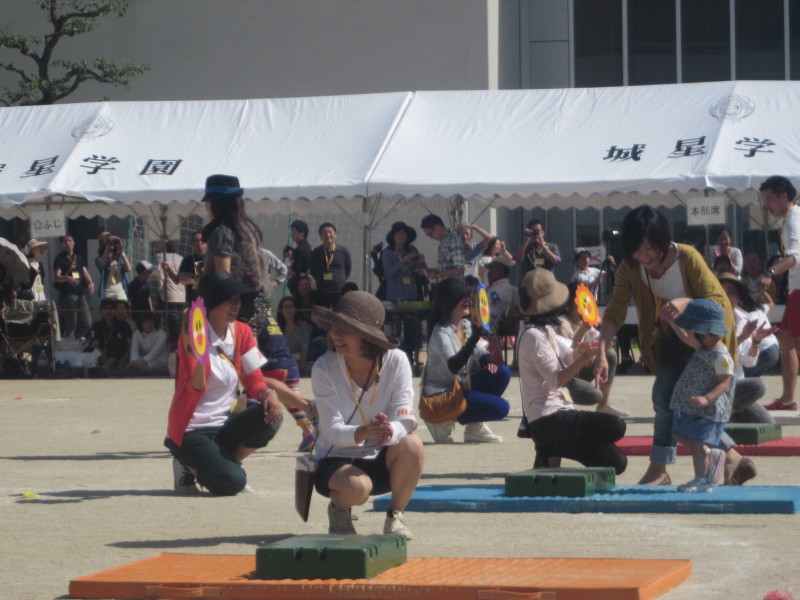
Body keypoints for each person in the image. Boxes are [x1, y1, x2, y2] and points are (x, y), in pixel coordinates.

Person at [595, 205, 755, 486]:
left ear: (663, 240)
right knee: (680, 403)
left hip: (707, 342)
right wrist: (601, 353)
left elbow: (718, 301)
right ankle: (732, 458)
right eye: (636, 249)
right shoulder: (630, 267)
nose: (643, 256)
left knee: (665, 397)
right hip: (675, 340)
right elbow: (615, 311)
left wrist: (686, 302)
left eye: (649, 247)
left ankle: (660, 469)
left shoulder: (687, 257)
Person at [310, 291, 424, 538]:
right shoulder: (324, 367)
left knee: (413, 445)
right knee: (357, 488)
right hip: (335, 458)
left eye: (345, 328)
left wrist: (390, 431)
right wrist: (364, 432)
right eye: (334, 326)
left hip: (381, 456)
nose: (336, 334)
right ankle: (339, 508)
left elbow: (406, 416)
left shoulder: (397, 360)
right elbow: (330, 431)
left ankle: (395, 516)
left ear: (367, 335)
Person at [164, 270, 283, 496]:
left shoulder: (243, 331)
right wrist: (200, 355)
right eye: (230, 300)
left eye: (238, 299)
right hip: (192, 429)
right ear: (212, 303)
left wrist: (268, 393)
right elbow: (195, 385)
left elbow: (253, 380)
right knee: (232, 483)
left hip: (225, 423)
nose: (237, 305)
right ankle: (185, 462)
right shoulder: (191, 334)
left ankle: (229, 463)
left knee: (272, 415)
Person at [517, 269, 627, 474]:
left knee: (617, 463)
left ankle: (551, 448)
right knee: (616, 426)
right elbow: (555, 380)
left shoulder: (545, 329)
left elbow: (567, 356)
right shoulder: (533, 335)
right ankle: (549, 445)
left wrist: (583, 353)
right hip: (546, 417)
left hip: (561, 411)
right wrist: (584, 358)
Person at [422, 278, 510, 444]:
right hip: (441, 395)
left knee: (502, 372)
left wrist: (487, 360)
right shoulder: (441, 332)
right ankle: (441, 420)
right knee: (501, 407)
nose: (467, 300)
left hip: (460, 386)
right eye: (461, 297)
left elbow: (480, 350)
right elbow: (454, 365)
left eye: (468, 296)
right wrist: (474, 338)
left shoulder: (466, 325)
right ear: (449, 302)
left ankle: (474, 428)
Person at [663, 299, 734, 492]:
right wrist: (672, 322)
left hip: (708, 409)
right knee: (678, 433)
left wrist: (707, 398)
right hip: (694, 407)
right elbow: (686, 337)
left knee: (696, 443)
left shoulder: (721, 357)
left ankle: (702, 480)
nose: (692, 335)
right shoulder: (704, 346)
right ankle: (709, 453)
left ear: (707, 334)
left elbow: (725, 382)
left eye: (696, 332)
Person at [201, 174, 269, 322]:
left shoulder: (222, 232)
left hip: (232, 311)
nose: (206, 207)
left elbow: (223, 280)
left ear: (218, 204)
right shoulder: (248, 230)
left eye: (208, 202)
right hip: (256, 306)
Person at [757, 176, 800, 411]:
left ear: (784, 196)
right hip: (795, 288)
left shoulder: (793, 218)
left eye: (770, 199)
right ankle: (787, 398)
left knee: (790, 343)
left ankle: (788, 399)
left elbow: (795, 257)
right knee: (786, 341)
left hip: (799, 289)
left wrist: (769, 272)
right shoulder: (791, 217)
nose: (767, 205)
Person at [557, 282, 629, 417]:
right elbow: (567, 354)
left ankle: (603, 405)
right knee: (593, 395)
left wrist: (600, 349)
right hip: (566, 375)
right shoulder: (562, 322)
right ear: (571, 304)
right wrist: (582, 333)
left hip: (581, 367)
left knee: (609, 355)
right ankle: (562, 404)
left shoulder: (585, 323)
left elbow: (600, 341)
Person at [717, 272, 778, 424]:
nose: (725, 296)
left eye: (730, 292)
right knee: (758, 386)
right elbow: (714, 355)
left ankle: (727, 413)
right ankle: (721, 415)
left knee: (769, 426)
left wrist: (756, 342)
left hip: (735, 388)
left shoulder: (744, 321)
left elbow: (748, 362)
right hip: (714, 387)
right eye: (721, 291)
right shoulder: (710, 319)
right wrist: (742, 337)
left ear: (738, 298)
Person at [257, 310, 317, 452]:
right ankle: (309, 433)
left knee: (251, 396)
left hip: (272, 366)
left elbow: (252, 346)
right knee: (293, 402)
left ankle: (242, 437)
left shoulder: (250, 317)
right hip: (290, 365)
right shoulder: (269, 318)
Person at [381, 221, 426, 362]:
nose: (402, 236)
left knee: (412, 329)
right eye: (399, 233)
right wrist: (402, 261)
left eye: (404, 233)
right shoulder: (387, 253)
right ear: (393, 236)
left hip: (411, 297)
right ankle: (394, 358)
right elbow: (389, 272)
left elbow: (420, 272)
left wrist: (421, 262)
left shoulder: (412, 250)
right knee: (394, 331)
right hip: (395, 298)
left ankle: (410, 357)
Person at [52, 235, 95, 340]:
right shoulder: (59, 258)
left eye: (70, 240)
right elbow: (57, 277)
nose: (68, 243)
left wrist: (90, 283)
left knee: (87, 323)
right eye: (65, 241)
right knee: (71, 325)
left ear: (74, 242)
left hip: (81, 294)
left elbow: (85, 272)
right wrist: (67, 278)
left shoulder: (79, 258)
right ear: (62, 244)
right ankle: (69, 344)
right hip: (67, 295)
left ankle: (73, 340)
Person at [308, 222, 352, 309]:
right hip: (322, 291)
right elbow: (313, 270)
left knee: (339, 314)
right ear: (320, 236)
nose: (327, 235)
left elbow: (348, 269)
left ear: (335, 234)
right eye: (324, 233)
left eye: (330, 232)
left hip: (339, 291)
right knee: (323, 316)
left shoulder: (343, 251)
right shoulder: (315, 253)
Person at [86, 297, 132, 373]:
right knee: (89, 350)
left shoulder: (124, 325)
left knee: (118, 345)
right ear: (101, 312)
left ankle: (105, 368)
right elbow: (94, 344)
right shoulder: (96, 326)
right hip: (101, 354)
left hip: (118, 355)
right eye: (106, 308)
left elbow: (129, 344)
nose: (109, 311)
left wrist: (126, 357)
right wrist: (103, 353)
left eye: (111, 308)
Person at [154, 241, 185, 350]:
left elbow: (159, 277)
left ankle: (174, 344)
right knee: (181, 320)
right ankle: (181, 342)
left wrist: (159, 291)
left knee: (172, 321)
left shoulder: (161, 258)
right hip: (182, 295)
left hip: (169, 295)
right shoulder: (182, 259)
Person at [420, 213, 466, 282]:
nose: (431, 237)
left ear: (437, 227)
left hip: (455, 286)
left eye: (430, 234)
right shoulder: (443, 243)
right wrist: (430, 271)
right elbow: (445, 268)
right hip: (445, 285)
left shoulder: (453, 241)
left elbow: (460, 269)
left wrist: (438, 275)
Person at [485, 254, 519, 335]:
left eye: (492, 268)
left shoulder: (503, 288)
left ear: (500, 270)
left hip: (489, 327)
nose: (489, 272)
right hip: (487, 324)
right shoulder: (496, 286)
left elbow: (481, 305)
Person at [95, 235, 131, 301]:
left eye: (114, 243)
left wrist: (121, 252)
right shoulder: (99, 259)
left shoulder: (119, 258)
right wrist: (107, 247)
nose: (112, 245)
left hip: (120, 291)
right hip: (108, 291)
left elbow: (128, 269)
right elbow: (102, 265)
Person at [178, 231, 206, 306]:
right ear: (192, 244)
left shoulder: (213, 259)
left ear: (206, 242)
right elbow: (182, 278)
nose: (199, 243)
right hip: (193, 301)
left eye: (202, 240)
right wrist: (198, 278)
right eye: (196, 241)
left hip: (210, 302)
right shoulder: (188, 259)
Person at [127, 261, 155, 325]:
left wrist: (151, 311)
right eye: (149, 271)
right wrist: (130, 315)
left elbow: (148, 297)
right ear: (144, 272)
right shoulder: (132, 285)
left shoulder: (148, 283)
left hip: (146, 312)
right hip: (136, 312)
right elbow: (129, 301)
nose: (151, 273)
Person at [287, 219, 312, 295]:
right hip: (306, 283)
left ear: (302, 233)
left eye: (294, 231)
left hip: (299, 285)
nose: (292, 233)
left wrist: (286, 267)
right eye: (292, 231)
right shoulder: (308, 246)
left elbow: (295, 270)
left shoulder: (299, 249)